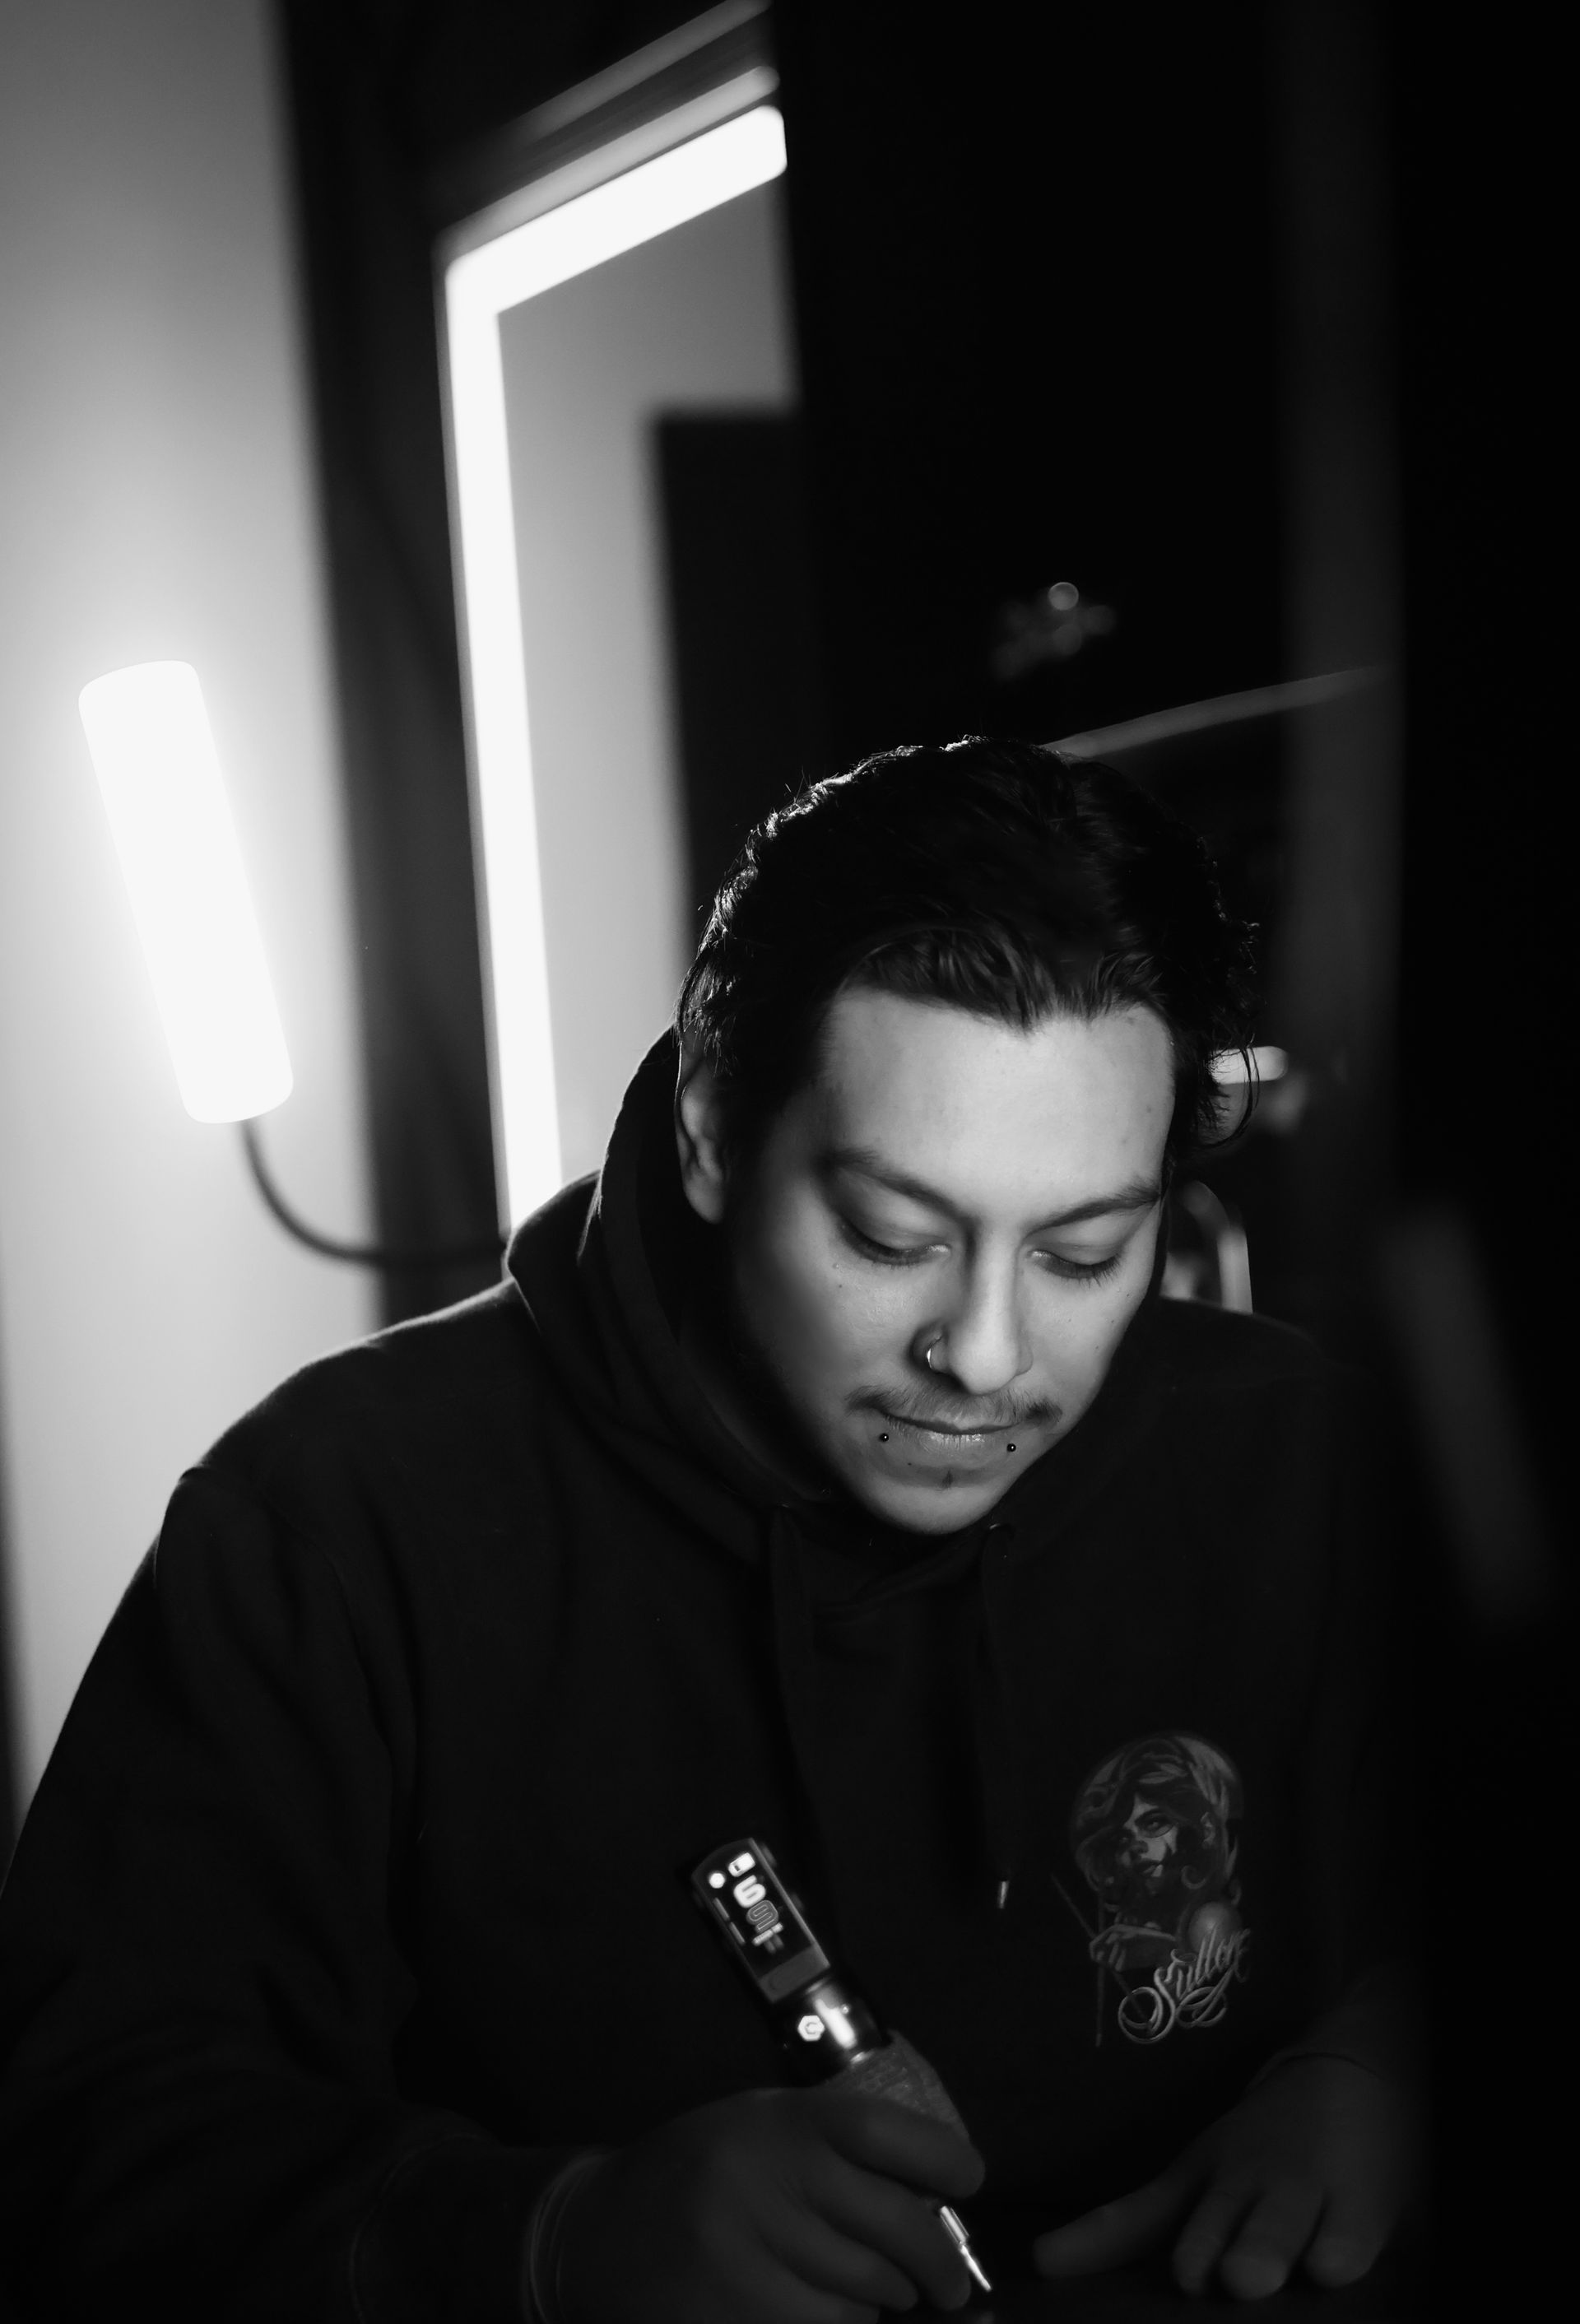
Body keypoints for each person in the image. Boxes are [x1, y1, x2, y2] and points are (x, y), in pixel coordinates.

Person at [0, 738, 1420, 2322]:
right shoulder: (336, 1528)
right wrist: (552, 2238)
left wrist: (1406, 2056)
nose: (987, 1353)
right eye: (892, 1237)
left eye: (1085, 1253)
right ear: (707, 1132)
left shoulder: (1298, 1457)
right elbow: (78, 2154)